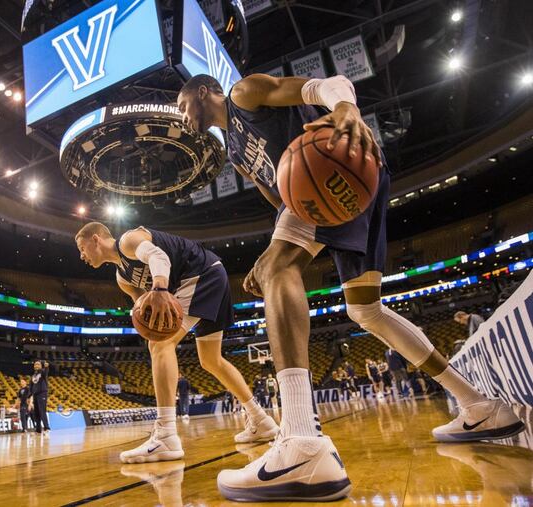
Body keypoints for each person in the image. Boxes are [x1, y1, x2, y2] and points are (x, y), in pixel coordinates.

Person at [176, 72, 524, 501]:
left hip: (342, 162)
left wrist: (344, 109)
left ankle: (301, 440)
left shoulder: (243, 94)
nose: (180, 116)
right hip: (332, 188)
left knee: (277, 270)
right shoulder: (233, 152)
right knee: (365, 310)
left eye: (180, 105)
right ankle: (481, 407)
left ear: (201, 91)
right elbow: (283, 198)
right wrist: (275, 249)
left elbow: (326, 83)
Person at [76, 222, 278, 464]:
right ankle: (261, 420)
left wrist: (160, 288)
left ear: (96, 239)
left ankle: (166, 435)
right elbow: (145, 310)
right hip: (211, 275)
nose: (82, 255)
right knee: (211, 360)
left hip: (199, 274)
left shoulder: (128, 241)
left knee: (159, 344)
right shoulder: (122, 278)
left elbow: (158, 256)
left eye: (82, 247)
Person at [30, 360, 50, 434]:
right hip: (35, 395)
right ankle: (38, 429)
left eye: (38, 364)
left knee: (42, 411)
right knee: (36, 412)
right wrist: (30, 396)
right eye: (35, 364)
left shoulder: (42, 372)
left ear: (41, 366)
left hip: (42, 394)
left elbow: (46, 371)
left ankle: (46, 428)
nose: (36, 366)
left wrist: (46, 366)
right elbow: (31, 386)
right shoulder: (33, 375)